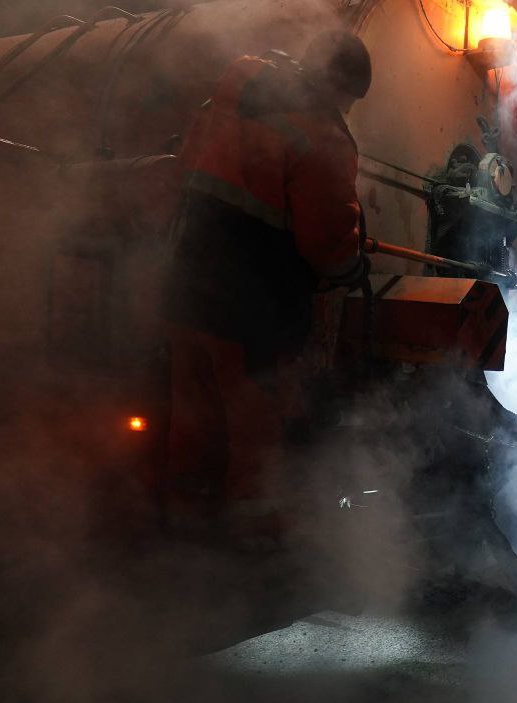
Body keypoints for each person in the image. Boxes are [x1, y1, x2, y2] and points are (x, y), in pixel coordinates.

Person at [163, 30, 373, 549]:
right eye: (349, 96)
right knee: (256, 427)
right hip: (249, 305)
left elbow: (185, 173)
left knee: (192, 412)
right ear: (337, 84)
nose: (347, 107)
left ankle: (181, 521)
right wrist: (352, 268)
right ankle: (251, 546)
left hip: (186, 286)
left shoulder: (233, 92)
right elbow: (326, 240)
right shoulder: (320, 134)